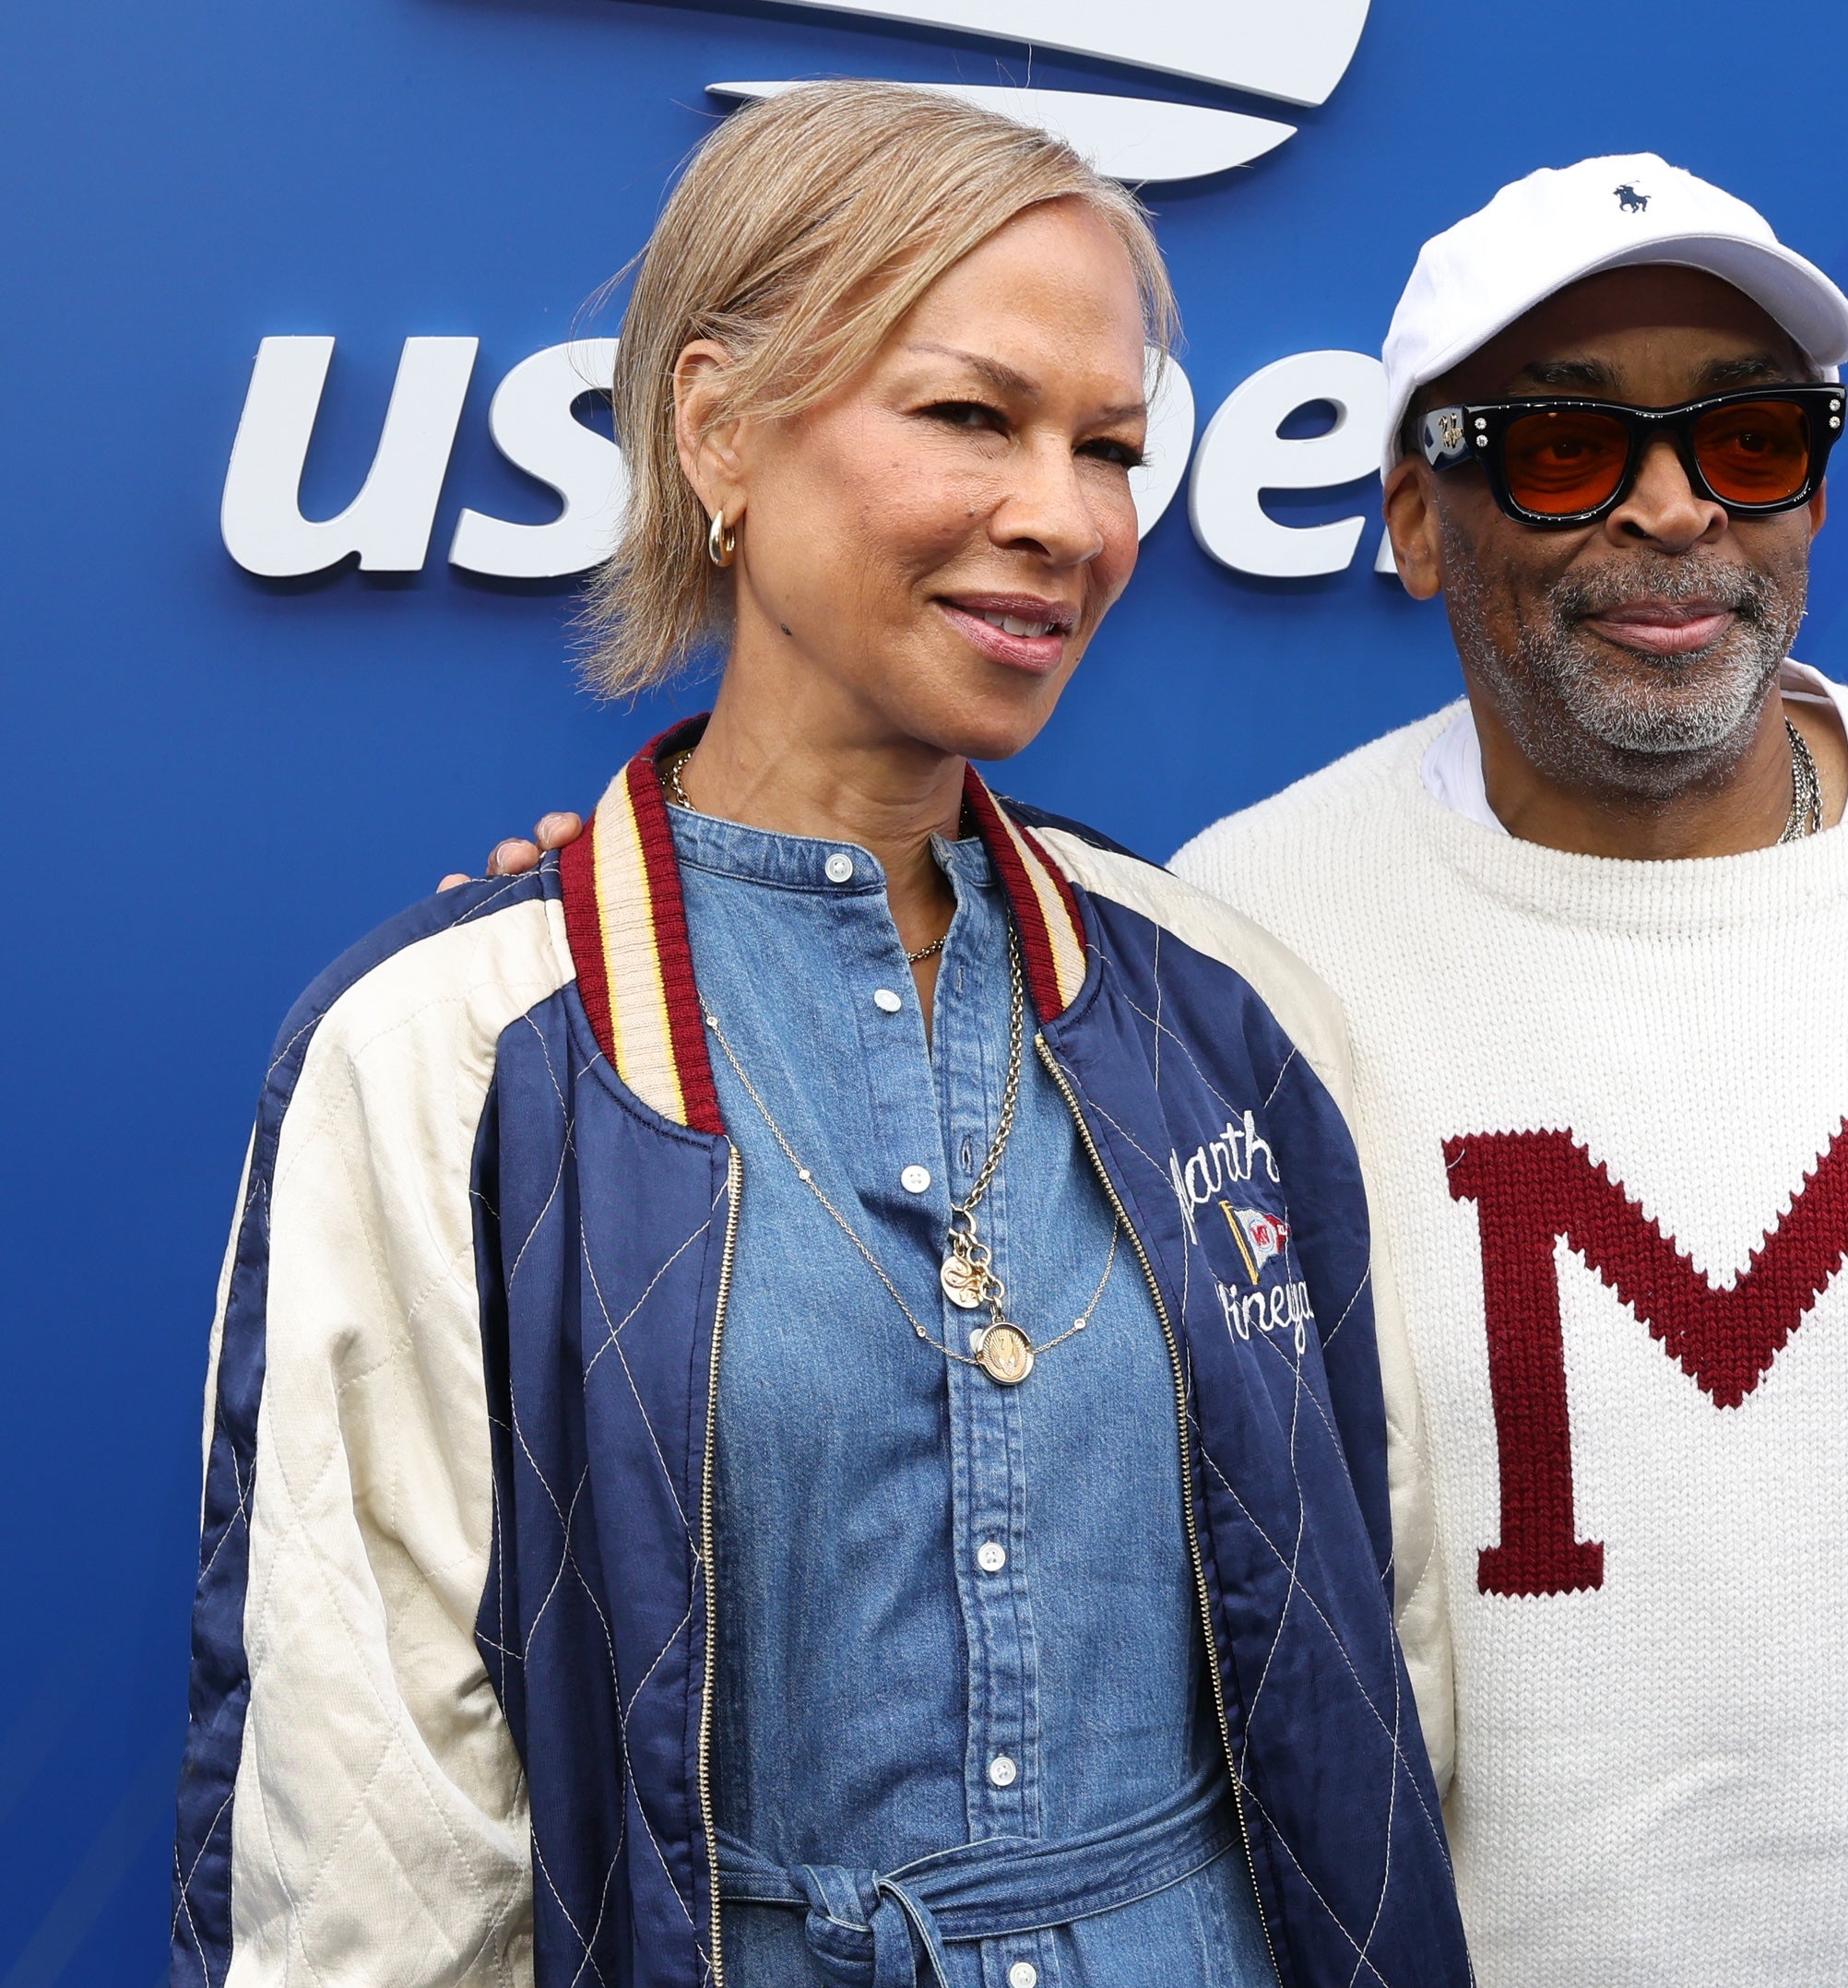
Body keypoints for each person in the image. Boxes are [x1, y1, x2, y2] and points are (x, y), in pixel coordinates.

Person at [474, 152, 1848, 1985]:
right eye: (1564, 449)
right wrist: (685, 923)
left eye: (1752, 437)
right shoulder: (1241, 942)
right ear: (1421, 519)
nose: (1675, 512)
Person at [172, 84, 1467, 1988]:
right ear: (718, 426)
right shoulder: (450, 1051)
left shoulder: (1229, 1007)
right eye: (970, 413)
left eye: (1109, 446)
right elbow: (367, 1828)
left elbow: (1389, 1673)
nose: (1062, 515)